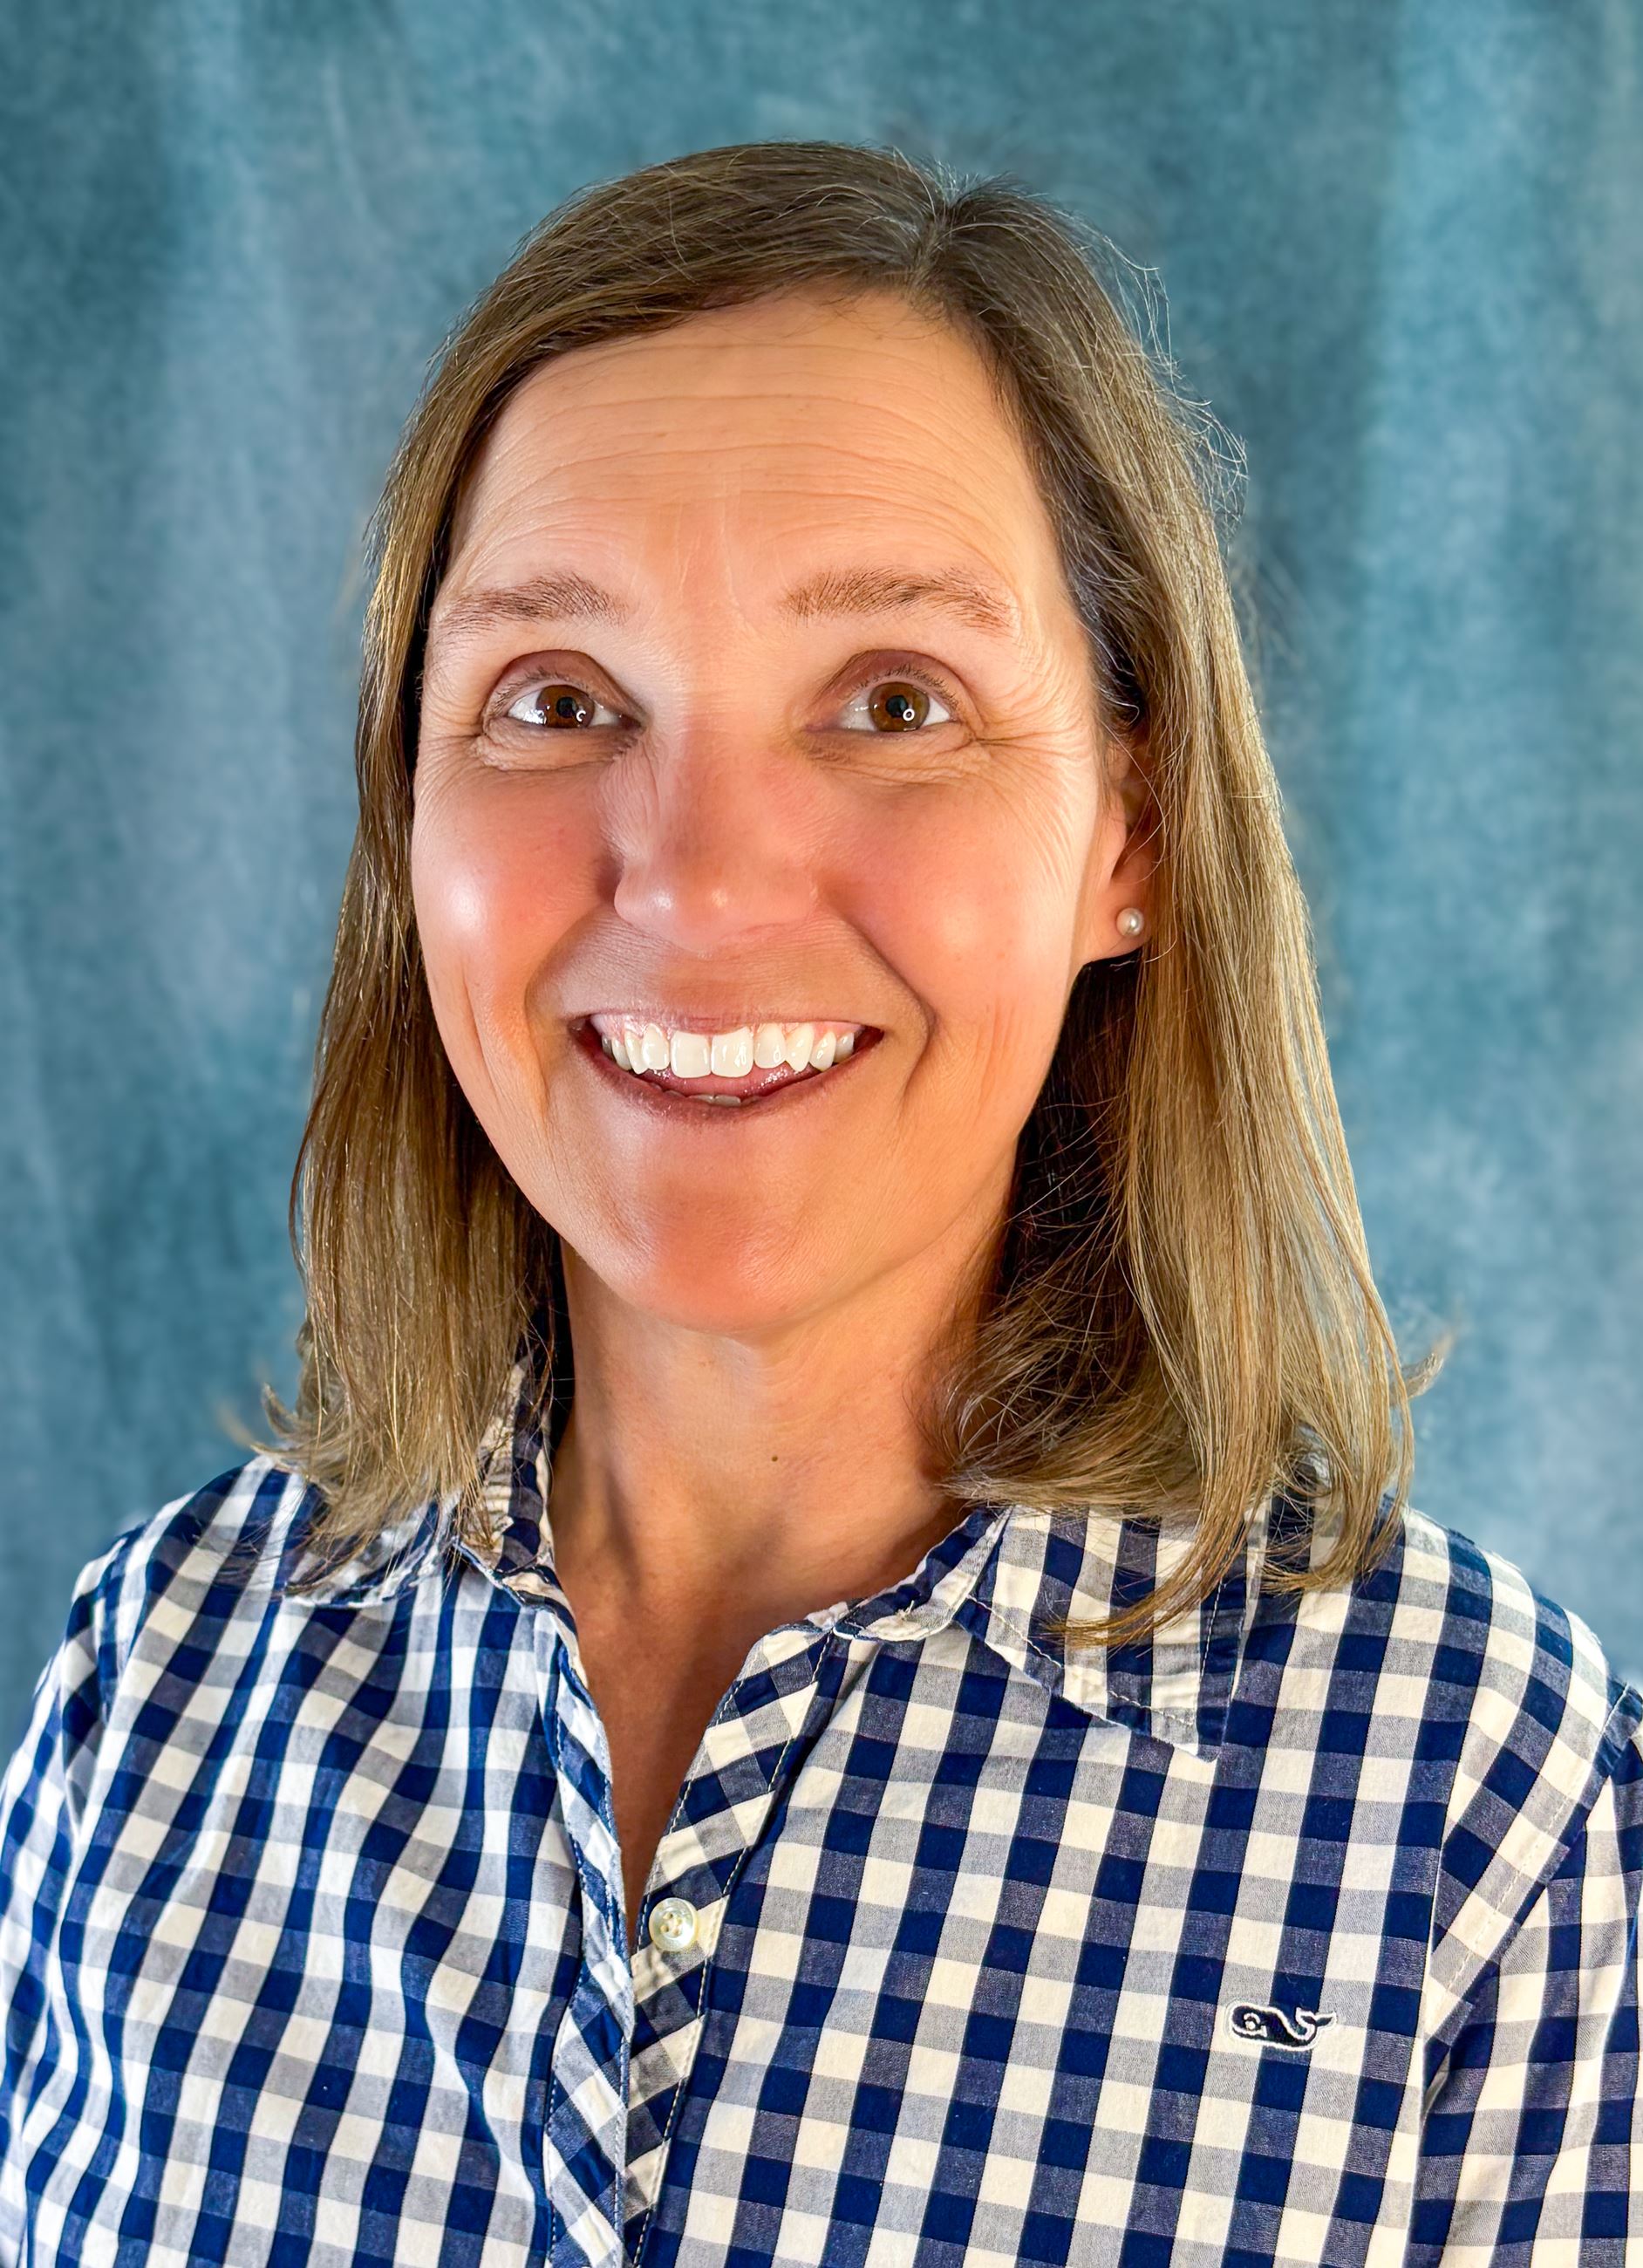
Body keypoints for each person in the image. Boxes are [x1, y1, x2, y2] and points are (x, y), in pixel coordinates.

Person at [2, 139, 1637, 2268]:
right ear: (409, 819)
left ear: (1127, 837)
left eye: (893, 703)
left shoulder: (1489, 1823)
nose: (693, 879)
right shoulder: (164, 1683)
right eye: (558, 701)